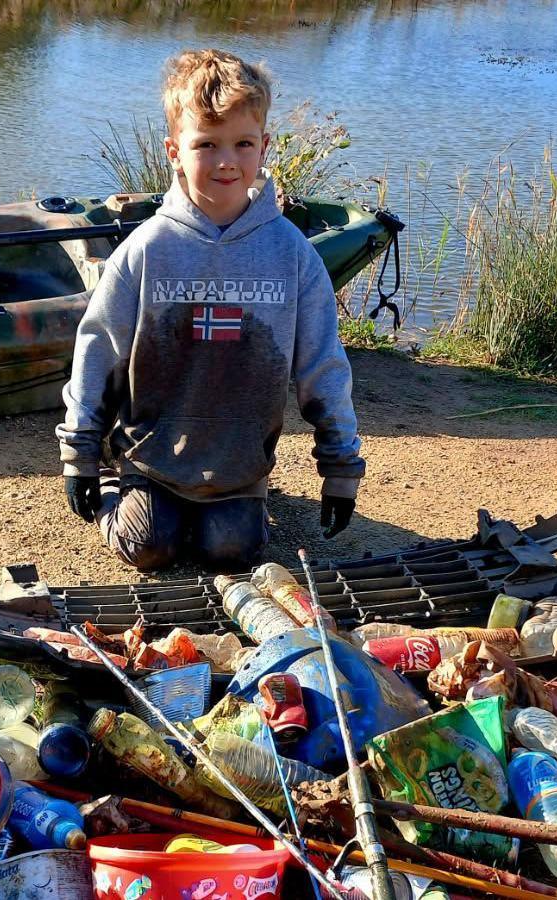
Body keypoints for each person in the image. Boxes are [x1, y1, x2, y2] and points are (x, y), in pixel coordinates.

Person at [56, 48, 364, 571]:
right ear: (174, 151)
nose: (226, 161)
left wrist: (339, 468)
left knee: (231, 552)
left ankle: (250, 503)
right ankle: (118, 485)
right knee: (151, 548)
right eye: (206, 145)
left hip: (238, 463)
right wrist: (80, 454)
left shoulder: (292, 255)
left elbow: (323, 366)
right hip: (150, 457)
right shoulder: (147, 248)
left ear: (264, 146)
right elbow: (98, 351)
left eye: (243, 144)